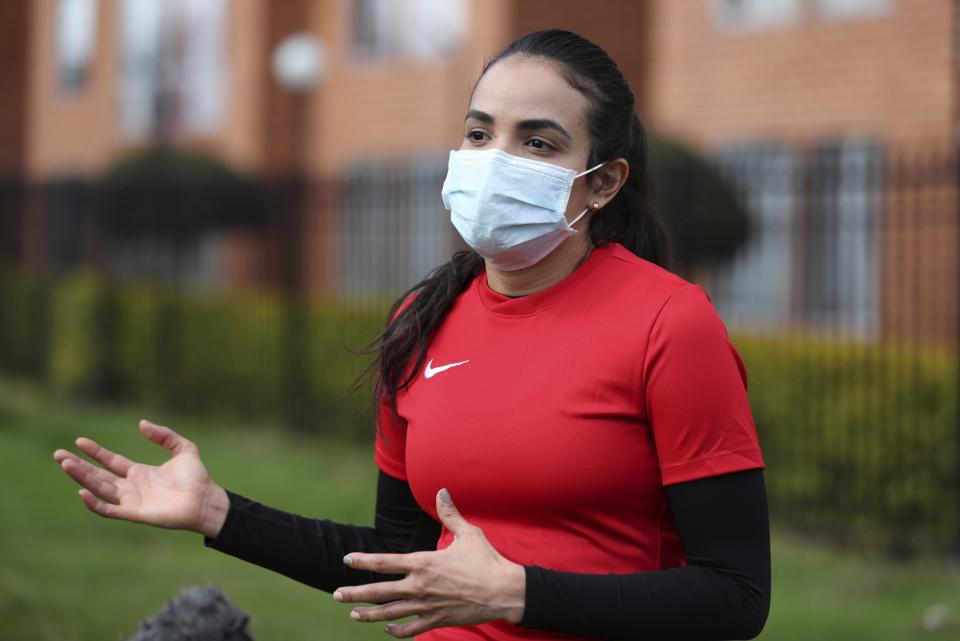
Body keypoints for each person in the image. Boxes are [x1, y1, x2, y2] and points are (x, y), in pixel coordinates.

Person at [53, 30, 770, 641]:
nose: (495, 160)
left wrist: (516, 593)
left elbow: (737, 595)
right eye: (480, 132)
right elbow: (403, 554)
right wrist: (218, 513)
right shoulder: (422, 318)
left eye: (538, 141)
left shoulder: (669, 323)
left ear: (604, 182)